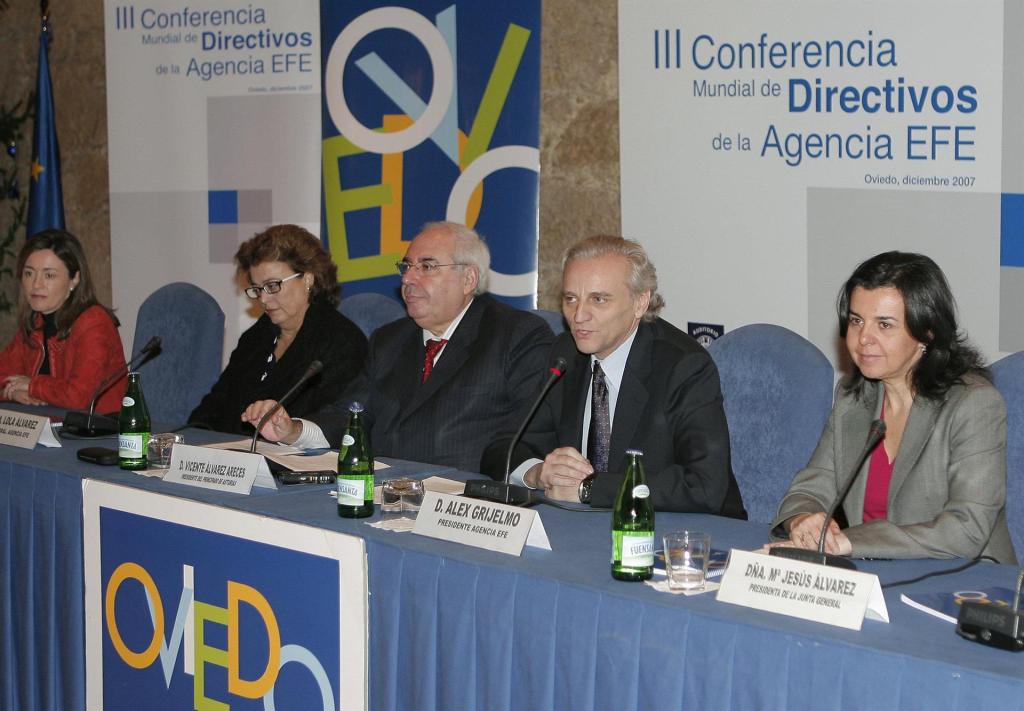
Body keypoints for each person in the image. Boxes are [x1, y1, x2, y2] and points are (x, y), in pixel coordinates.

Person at [241, 221, 555, 471]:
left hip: (460, 508)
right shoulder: (390, 339)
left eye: (428, 267)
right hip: (385, 497)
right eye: (406, 267)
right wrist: (292, 430)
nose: (409, 279)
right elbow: (352, 415)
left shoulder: (516, 336)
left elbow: (526, 440)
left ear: (468, 278)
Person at [770, 251, 1016, 563]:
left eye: (884, 325)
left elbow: (966, 529)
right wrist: (803, 520)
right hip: (876, 575)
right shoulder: (853, 398)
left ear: (926, 332)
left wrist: (847, 541)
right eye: (857, 321)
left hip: (966, 586)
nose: (863, 339)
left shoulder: (974, 404)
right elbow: (810, 488)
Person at [482, 235, 746, 516]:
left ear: (640, 303)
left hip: (683, 534)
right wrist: (537, 473)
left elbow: (704, 486)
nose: (579, 315)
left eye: (598, 299)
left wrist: (590, 489)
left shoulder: (684, 366)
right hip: (586, 532)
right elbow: (502, 448)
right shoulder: (566, 354)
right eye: (570, 299)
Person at [188, 224, 367, 434]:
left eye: (272, 286)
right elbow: (213, 408)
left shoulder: (341, 342)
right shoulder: (256, 336)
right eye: (257, 289)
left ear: (307, 279)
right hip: (233, 460)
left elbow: (330, 427)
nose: (263, 299)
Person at [0, 229, 127, 411]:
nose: (36, 284)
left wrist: (32, 386)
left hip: (97, 433)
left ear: (74, 279)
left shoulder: (95, 323)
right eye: (29, 273)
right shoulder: (35, 322)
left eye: (49, 275)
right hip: (50, 428)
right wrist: (12, 392)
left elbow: (78, 396)